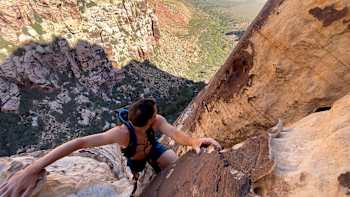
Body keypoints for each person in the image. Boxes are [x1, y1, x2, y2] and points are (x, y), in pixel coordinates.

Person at [0, 98, 221, 197]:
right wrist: (31, 170)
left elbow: (174, 133)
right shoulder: (121, 134)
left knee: (174, 164)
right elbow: (79, 143)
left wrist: (193, 142)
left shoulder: (156, 121)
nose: (158, 115)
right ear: (149, 119)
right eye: (155, 113)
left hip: (153, 150)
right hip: (135, 163)